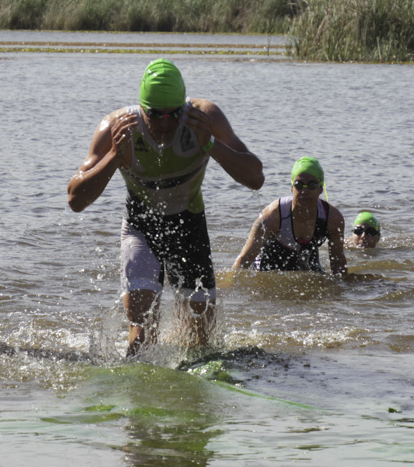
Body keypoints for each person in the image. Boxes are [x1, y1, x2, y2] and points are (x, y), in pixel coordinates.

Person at [67, 58, 264, 356]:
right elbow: (75, 200)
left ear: (183, 107)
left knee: (202, 341)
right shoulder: (118, 128)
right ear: (141, 107)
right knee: (142, 338)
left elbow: (255, 178)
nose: (164, 123)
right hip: (140, 228)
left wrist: (210, 144)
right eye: (155, 115)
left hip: (189, 226)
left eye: (173, 114)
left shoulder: (204, 118)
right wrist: (113, 159)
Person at [233, 157, 347, 275]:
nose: (304, 191)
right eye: (299, 184)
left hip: (306, 263)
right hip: (267, 265)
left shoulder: (332, 218)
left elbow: (338, 264)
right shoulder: (272, 216)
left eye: (312, 185)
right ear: (292, 187)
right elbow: (243, 260)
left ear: (320, 189)